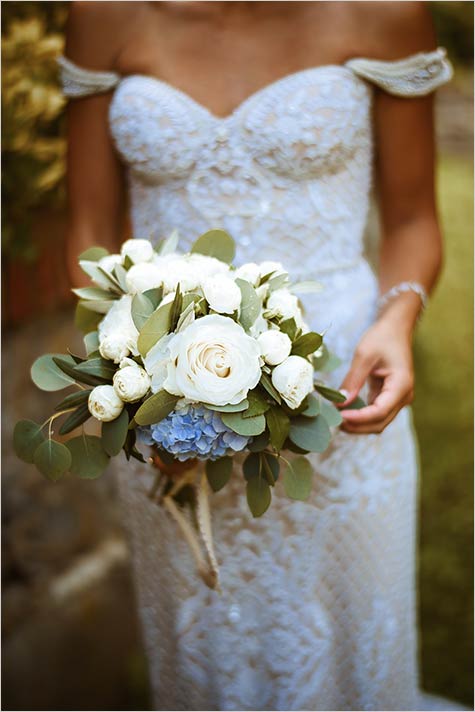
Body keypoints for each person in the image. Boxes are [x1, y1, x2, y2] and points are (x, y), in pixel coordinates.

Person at [57, 2, 458, 709]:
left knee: (346, 641)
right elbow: (88, 225)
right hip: (164, 405)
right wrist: (131, 377)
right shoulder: (102, 15)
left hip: (336, 390)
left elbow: (412, 220)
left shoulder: (386, 12)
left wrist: (396, 319)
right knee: (207, 644)